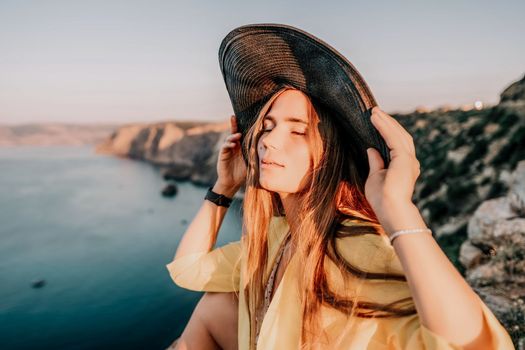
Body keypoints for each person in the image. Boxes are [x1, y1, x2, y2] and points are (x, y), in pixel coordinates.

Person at [166, 24, 515, 350]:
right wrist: (224, 186)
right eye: (268, 126)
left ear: (331, 153)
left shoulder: (356, 245)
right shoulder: (277, 235)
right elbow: (189, 269)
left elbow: (473, 345)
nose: (268, 141)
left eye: (298, 130)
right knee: (215, 305)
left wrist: (396, 208)